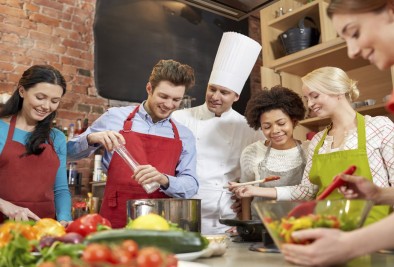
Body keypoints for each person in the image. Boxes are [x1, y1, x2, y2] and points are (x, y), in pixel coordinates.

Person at [281, 1, 394, 265]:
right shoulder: (319, 140)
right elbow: (307, 191)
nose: (352, 51)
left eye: (354, 33)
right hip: (329, 240)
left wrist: (349, 244)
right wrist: (378, 195)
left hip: (375, 246)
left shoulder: (381, 128)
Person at [67, 59, 198, 228]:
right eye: (163, 96)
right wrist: (92, 138)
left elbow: (191, 185)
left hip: (160, 223)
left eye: (176, 100)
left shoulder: (184, 136)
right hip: (115, 218)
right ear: (149, 88)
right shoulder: (114, 117)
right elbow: (68, 152)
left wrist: (164, 179)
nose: (168, 105)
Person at [172, 32, 263, 234]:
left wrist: (247, 200)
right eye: (212, 89)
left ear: (236, 96)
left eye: (224, 92)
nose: (215, 96)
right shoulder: (180, 118)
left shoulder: (249, 127)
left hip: (226, 214)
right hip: (184, 209)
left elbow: (261, 171)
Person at [0, 65, 72, 225]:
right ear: (22, 91)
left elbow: (60, 189)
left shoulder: (57, 138)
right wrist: (4, 204)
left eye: (54, 101)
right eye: (40, 97)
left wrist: (65, 219)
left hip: (43, 229)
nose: (47, 106)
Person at [230, 86, 308, 220]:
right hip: (261, 226)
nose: (275, 131)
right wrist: (246, 227)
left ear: (294, 122)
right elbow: (246, 196)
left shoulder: (309, 149)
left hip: (301, 226)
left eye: (281, 123)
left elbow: (310, 191)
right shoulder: (252, 152)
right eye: (267, 126)